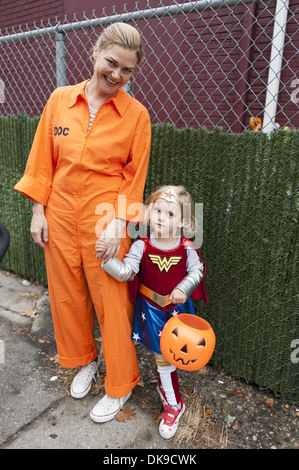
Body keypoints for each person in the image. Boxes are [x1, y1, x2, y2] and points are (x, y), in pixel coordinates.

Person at [14, 23, 151, 422]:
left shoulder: (136, 116)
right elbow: (42, 160)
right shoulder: (59, 100)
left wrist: (118, 226)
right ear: (95, 52)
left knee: (112, 304)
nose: (117, 75)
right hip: (58, 217)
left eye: (127, 71)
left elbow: (134, 178)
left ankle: (120, 384)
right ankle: (84, 361)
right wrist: (39, 212)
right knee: (68, 299)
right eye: (111, 63)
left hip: (105, 221)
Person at [97, 185, 208, 439]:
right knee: (161, 357)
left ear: (182, 220)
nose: (160, 217)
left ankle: (174, 405)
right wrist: (107, 260)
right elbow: (128, 272)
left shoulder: (187, 248)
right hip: (151, 310)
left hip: (176, 312)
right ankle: (167, 390)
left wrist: (183, 287)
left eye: (169, 214)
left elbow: (197, 271)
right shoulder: (141, 246)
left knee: (165, 357)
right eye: (157, 210)